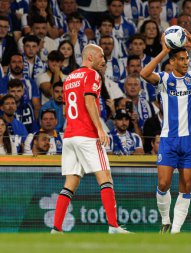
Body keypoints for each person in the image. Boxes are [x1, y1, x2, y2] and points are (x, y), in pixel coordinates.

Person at [140, 31, 191, 233]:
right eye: (181, 59)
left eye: (187, 59)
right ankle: (165, 220)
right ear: (173, 62)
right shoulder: (164, 79)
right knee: (163, 183)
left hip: (190, 140)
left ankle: (175, 232)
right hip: (169, 139)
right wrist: (163, 51)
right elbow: (143, 74)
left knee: (186, 185)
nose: (186, 62)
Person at [51, 44, 130, 234]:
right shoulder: (92, 75)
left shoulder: (69, 78)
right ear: (91, 57)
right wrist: (100, 129)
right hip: (87, 135)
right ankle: (113, 226)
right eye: (101, 55)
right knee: (105, 179)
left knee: (70, 184)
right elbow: (88, 101)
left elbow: (64, 109)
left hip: (69, 135)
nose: (104, 59)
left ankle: (56, 229)